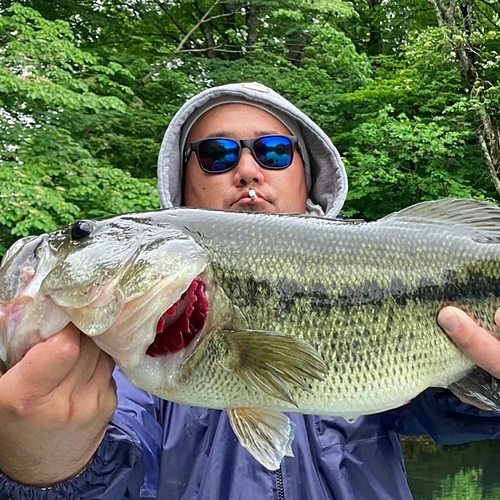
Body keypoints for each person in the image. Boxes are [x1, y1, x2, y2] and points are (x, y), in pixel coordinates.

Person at [1, 81, 500, 500]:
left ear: (308, 177)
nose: (248, 169)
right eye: (216, 155)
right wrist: (39, 466)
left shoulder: (391, 258)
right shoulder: (116, 359)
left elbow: (454, 414)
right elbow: (119, 456)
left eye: (275, 151)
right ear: (181, 191)